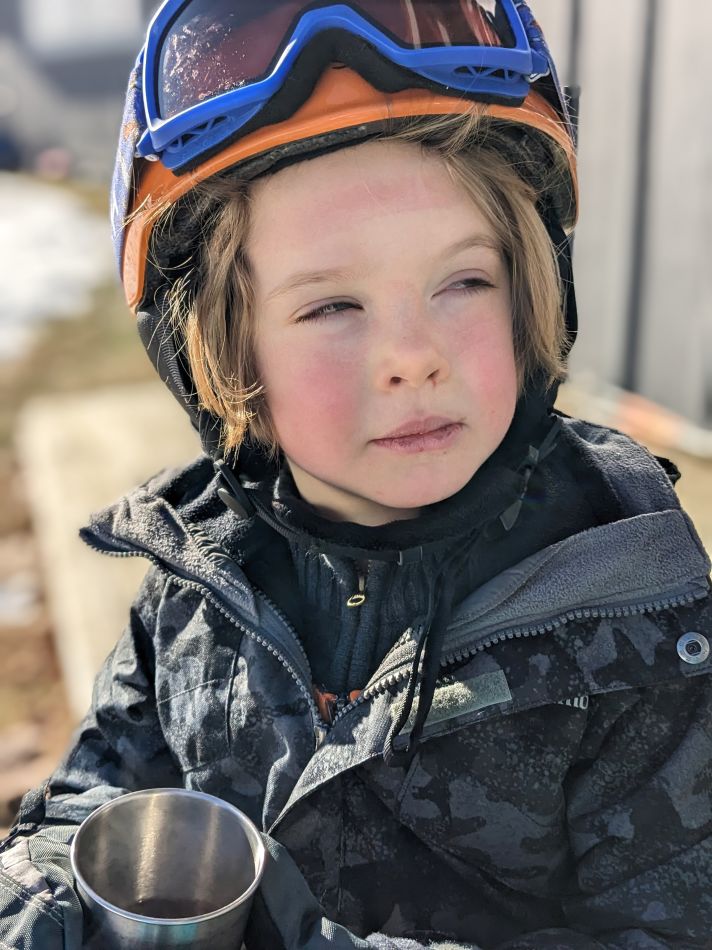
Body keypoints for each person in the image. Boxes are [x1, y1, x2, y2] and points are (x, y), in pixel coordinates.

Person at [2, 1, 711, 947]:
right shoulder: (197, 584)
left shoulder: (639, 624)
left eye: (464, 281)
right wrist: (41, 901)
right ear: (224, 353)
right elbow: (94, 802)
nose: (413, 357)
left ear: (534, 292)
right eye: (333, 305)